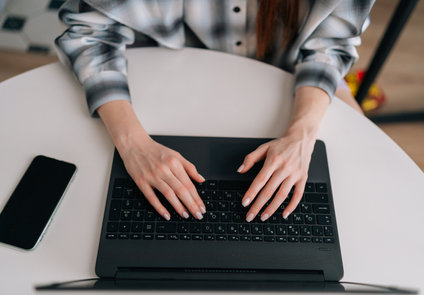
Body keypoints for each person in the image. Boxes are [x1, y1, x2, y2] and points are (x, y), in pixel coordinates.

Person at [55, 0, 373, 223]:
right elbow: (91, 36)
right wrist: (133, 144)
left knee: (361, 186)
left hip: (289, 70)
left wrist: (302, 136)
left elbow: (329, 48)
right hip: (160, 61)